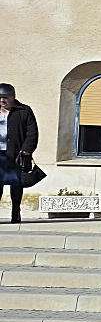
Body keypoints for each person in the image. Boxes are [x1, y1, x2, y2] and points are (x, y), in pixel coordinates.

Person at [0, 83, 37, 224]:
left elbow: (32, 132)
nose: (2, 101)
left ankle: (16, 212)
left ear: (13, 97)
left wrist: (27, 150)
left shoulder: (24, 111)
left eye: (5, 98)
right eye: (0, 98)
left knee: (16, 186)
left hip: (16, 155)